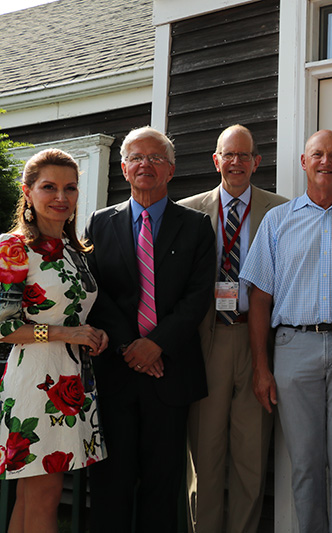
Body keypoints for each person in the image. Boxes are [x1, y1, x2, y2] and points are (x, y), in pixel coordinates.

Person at [85, 126, 216, 533]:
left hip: (170, 373)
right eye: (137, 158)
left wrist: (155, 346)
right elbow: (96, 294)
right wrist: (132, 347)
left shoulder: (196, 226)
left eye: (155, 158)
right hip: (115, 372)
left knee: (163, 486)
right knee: (111, 483)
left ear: (171, 170)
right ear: (124, 169)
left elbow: (197, 297)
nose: (146, 165)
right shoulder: (100, 223)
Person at [240, 129, 332, 533]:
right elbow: (259, 296)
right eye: (317, 155)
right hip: (294, 347)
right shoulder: (278, 221)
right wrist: (262, 367)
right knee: (306, 462)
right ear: (304, 162)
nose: (325, 162)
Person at [179, 125, 288, 533]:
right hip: (206, 340)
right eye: (229, 155)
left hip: (258, 342)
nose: (237, 163)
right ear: (216, 160)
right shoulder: (187, 212)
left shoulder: (281, 210)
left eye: (245, 155)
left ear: (257, 162)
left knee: (251, 457)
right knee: (204, 458)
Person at [0, 149, 108, 533]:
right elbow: (4, 328)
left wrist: (92, 334)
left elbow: (75, 312)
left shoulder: (75, 251)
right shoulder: (13, 248)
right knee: (43, 497)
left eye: (70, 188)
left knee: (33, 497)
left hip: (74, 376)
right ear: (27, 192)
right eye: (49, 187)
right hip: (36, 380)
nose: (61, 197)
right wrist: (67, 333)